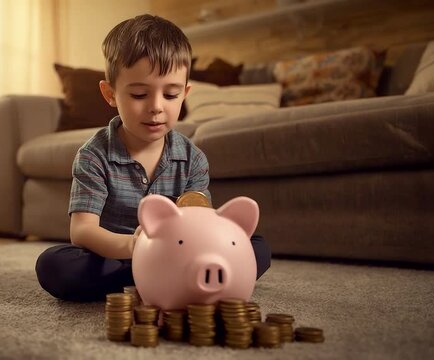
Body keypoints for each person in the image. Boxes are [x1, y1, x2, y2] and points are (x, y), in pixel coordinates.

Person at [36, 14, 270, 302]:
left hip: (179, 255)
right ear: (110, 94)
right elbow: (83, 231)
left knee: (256, 246)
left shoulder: (192, 159)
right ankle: (149, 279)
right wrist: (135, 246)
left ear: (185, 94)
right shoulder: (93, 155)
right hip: (117, 255)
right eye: (138, 95)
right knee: (55, 264)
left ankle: (159, 278)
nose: (156, 107)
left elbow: (200, 222)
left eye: (170, 95)